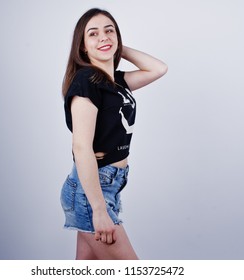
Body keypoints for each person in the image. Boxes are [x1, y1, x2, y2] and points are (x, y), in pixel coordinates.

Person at [60, 8, 167, 260]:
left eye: (109, 31)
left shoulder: (115, 81)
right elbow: (81, 147)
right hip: (93, 191)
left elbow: (158, 68)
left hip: (107, 186)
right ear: (82, 46)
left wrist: (115, 45)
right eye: (93, 34)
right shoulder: (87, 80)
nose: (103, 37)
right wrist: (98, 209)